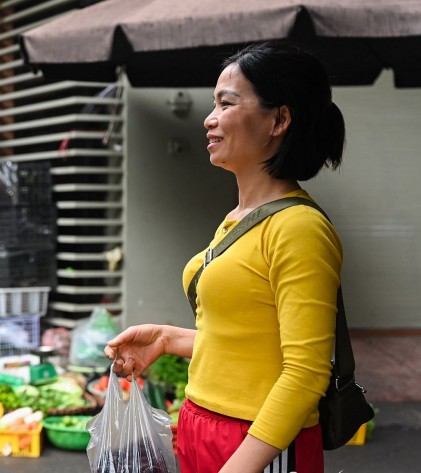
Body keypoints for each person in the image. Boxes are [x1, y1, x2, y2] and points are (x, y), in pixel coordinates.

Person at [105, 41, 345, 473]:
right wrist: (164, 339)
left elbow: (306, 374)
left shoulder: (299, 228)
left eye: (226, 103)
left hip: (258, 442)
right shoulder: (237, 220)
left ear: (279, 119)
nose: (209, 119)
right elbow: (247, 340)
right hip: (203, 427)